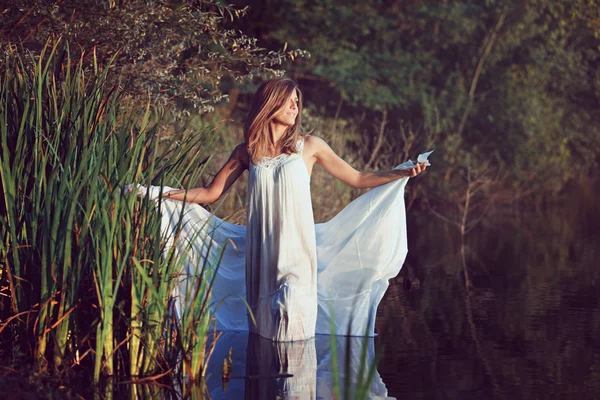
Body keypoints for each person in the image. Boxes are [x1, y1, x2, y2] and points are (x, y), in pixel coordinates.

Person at [157, 77, 427, 342]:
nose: (295, 108)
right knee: (267, 332)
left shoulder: (309, 146)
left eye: (297, 102)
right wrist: (161, 194)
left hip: (298, 251)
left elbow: (357, 178)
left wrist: (400, 173)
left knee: (291, 310)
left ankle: (296, 380)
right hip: (262, 252)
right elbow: (210, 194)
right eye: (288, 102)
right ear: (270, 104)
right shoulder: (247, 152)